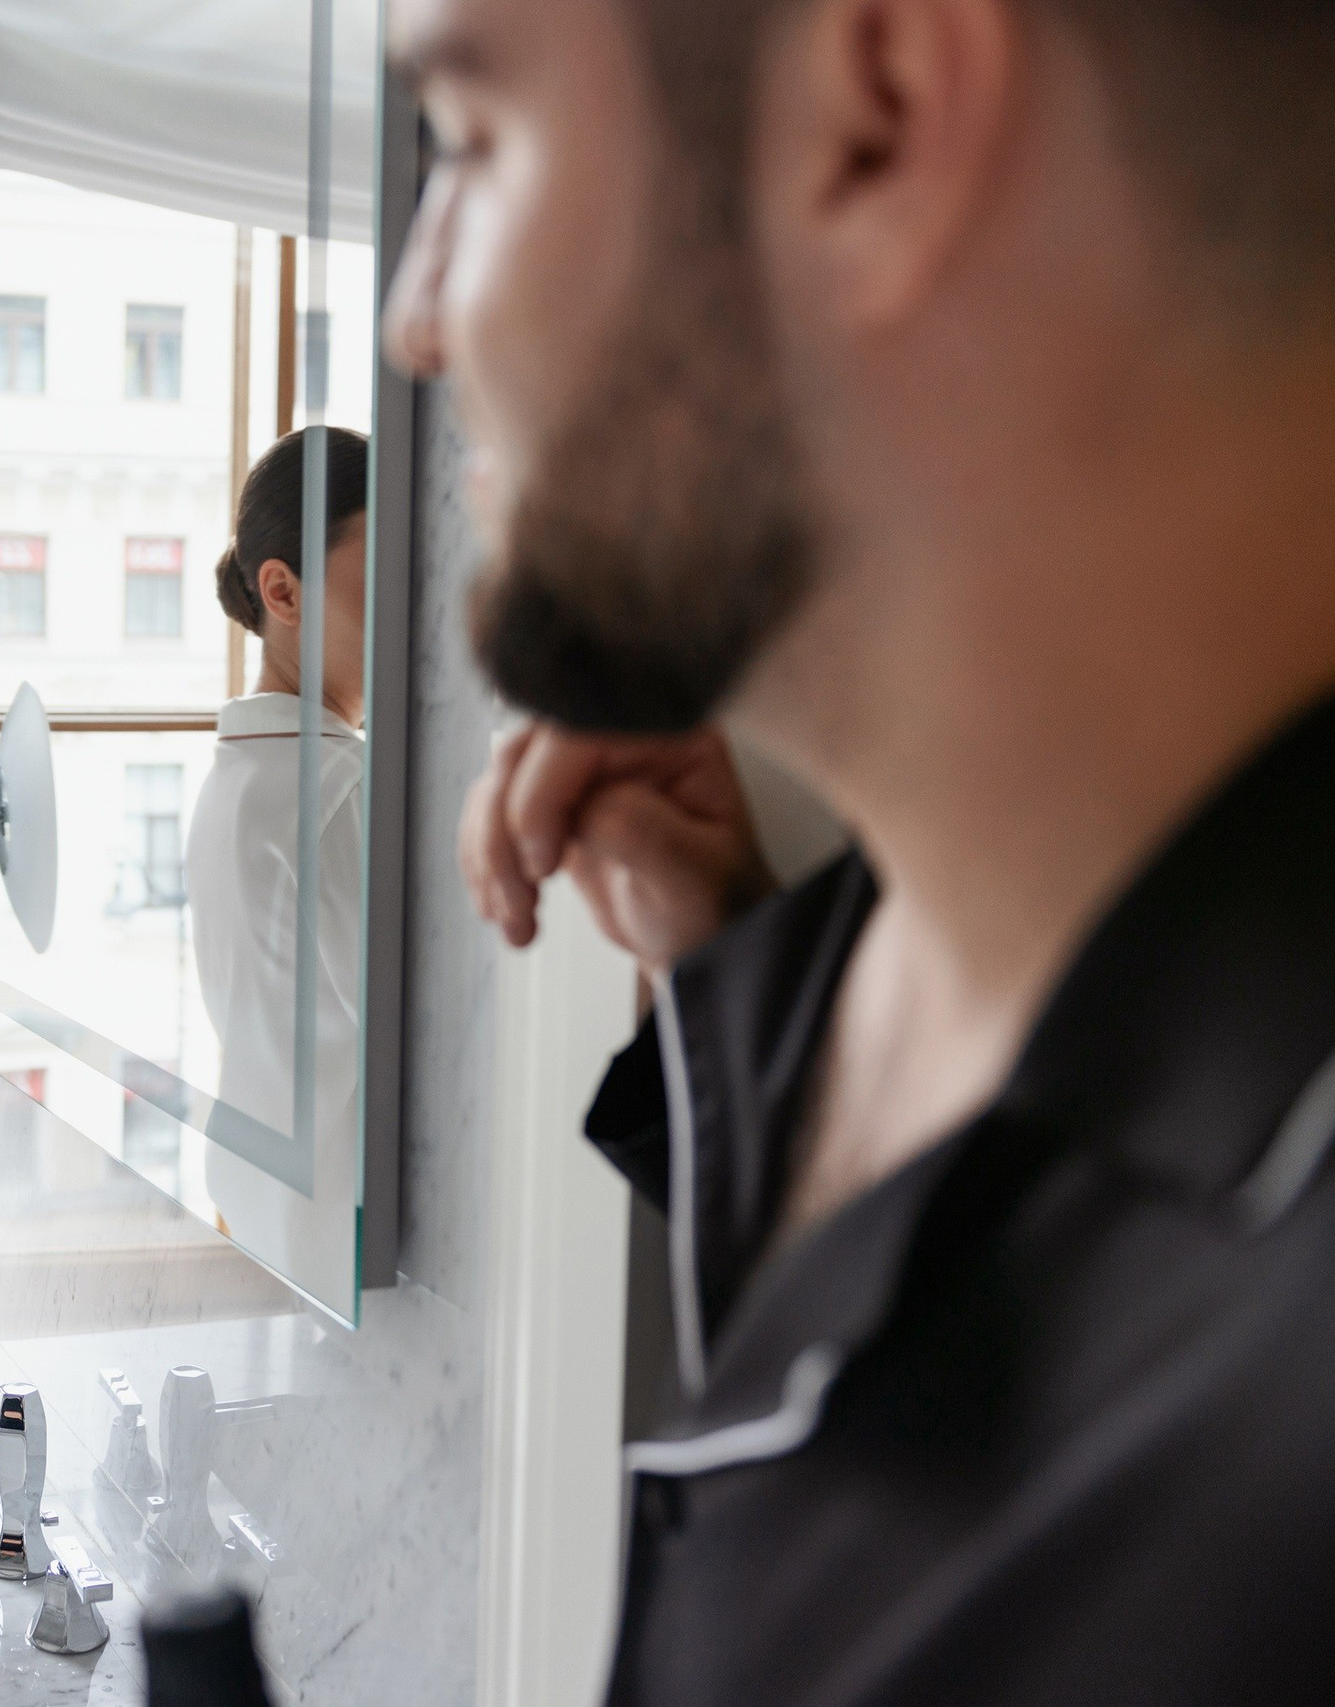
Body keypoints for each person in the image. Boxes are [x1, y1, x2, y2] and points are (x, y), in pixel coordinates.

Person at [385, 0, 1335, 1700]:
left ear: (877, 119)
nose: (419, 318)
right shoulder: (841, 986)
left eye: (473, 146)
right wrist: (736, 971)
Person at [185, 427, 368, 1285]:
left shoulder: (236, 779)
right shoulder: (337, 784)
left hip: (267, 1224)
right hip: (346, 1251)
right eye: (382, 583)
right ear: (283, 591)